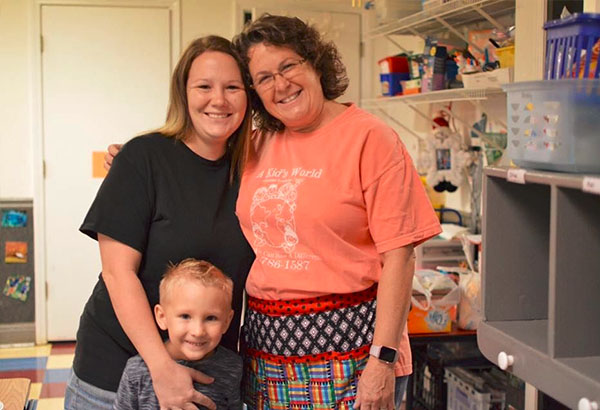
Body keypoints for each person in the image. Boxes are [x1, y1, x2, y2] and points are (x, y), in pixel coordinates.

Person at [232, 15, 442, 410]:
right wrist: (136, 161)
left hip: (356, 356)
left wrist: (382, 362)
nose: (281, 85)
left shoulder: (370, 138)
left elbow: (399, 257)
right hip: (267, 357)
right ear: (254, 91)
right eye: (264, 78)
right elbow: (189, 163)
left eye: (289, 66)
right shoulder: (254, 145)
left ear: (315, 62)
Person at [64, 36, 254, 410]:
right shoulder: (143, 158)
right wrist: (161, 367)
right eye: (204, 86)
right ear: (183, 94)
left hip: (209, 376)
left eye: (232, 87)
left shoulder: (254, 170)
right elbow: (119, 274)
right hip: (115, 373)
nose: (219, 100)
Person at [113, 259, 243, 410]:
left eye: (211, 318)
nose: (198, 331)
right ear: (162, 317)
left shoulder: (232, 366)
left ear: (227, 321)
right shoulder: (137, 371)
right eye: (185, 316)